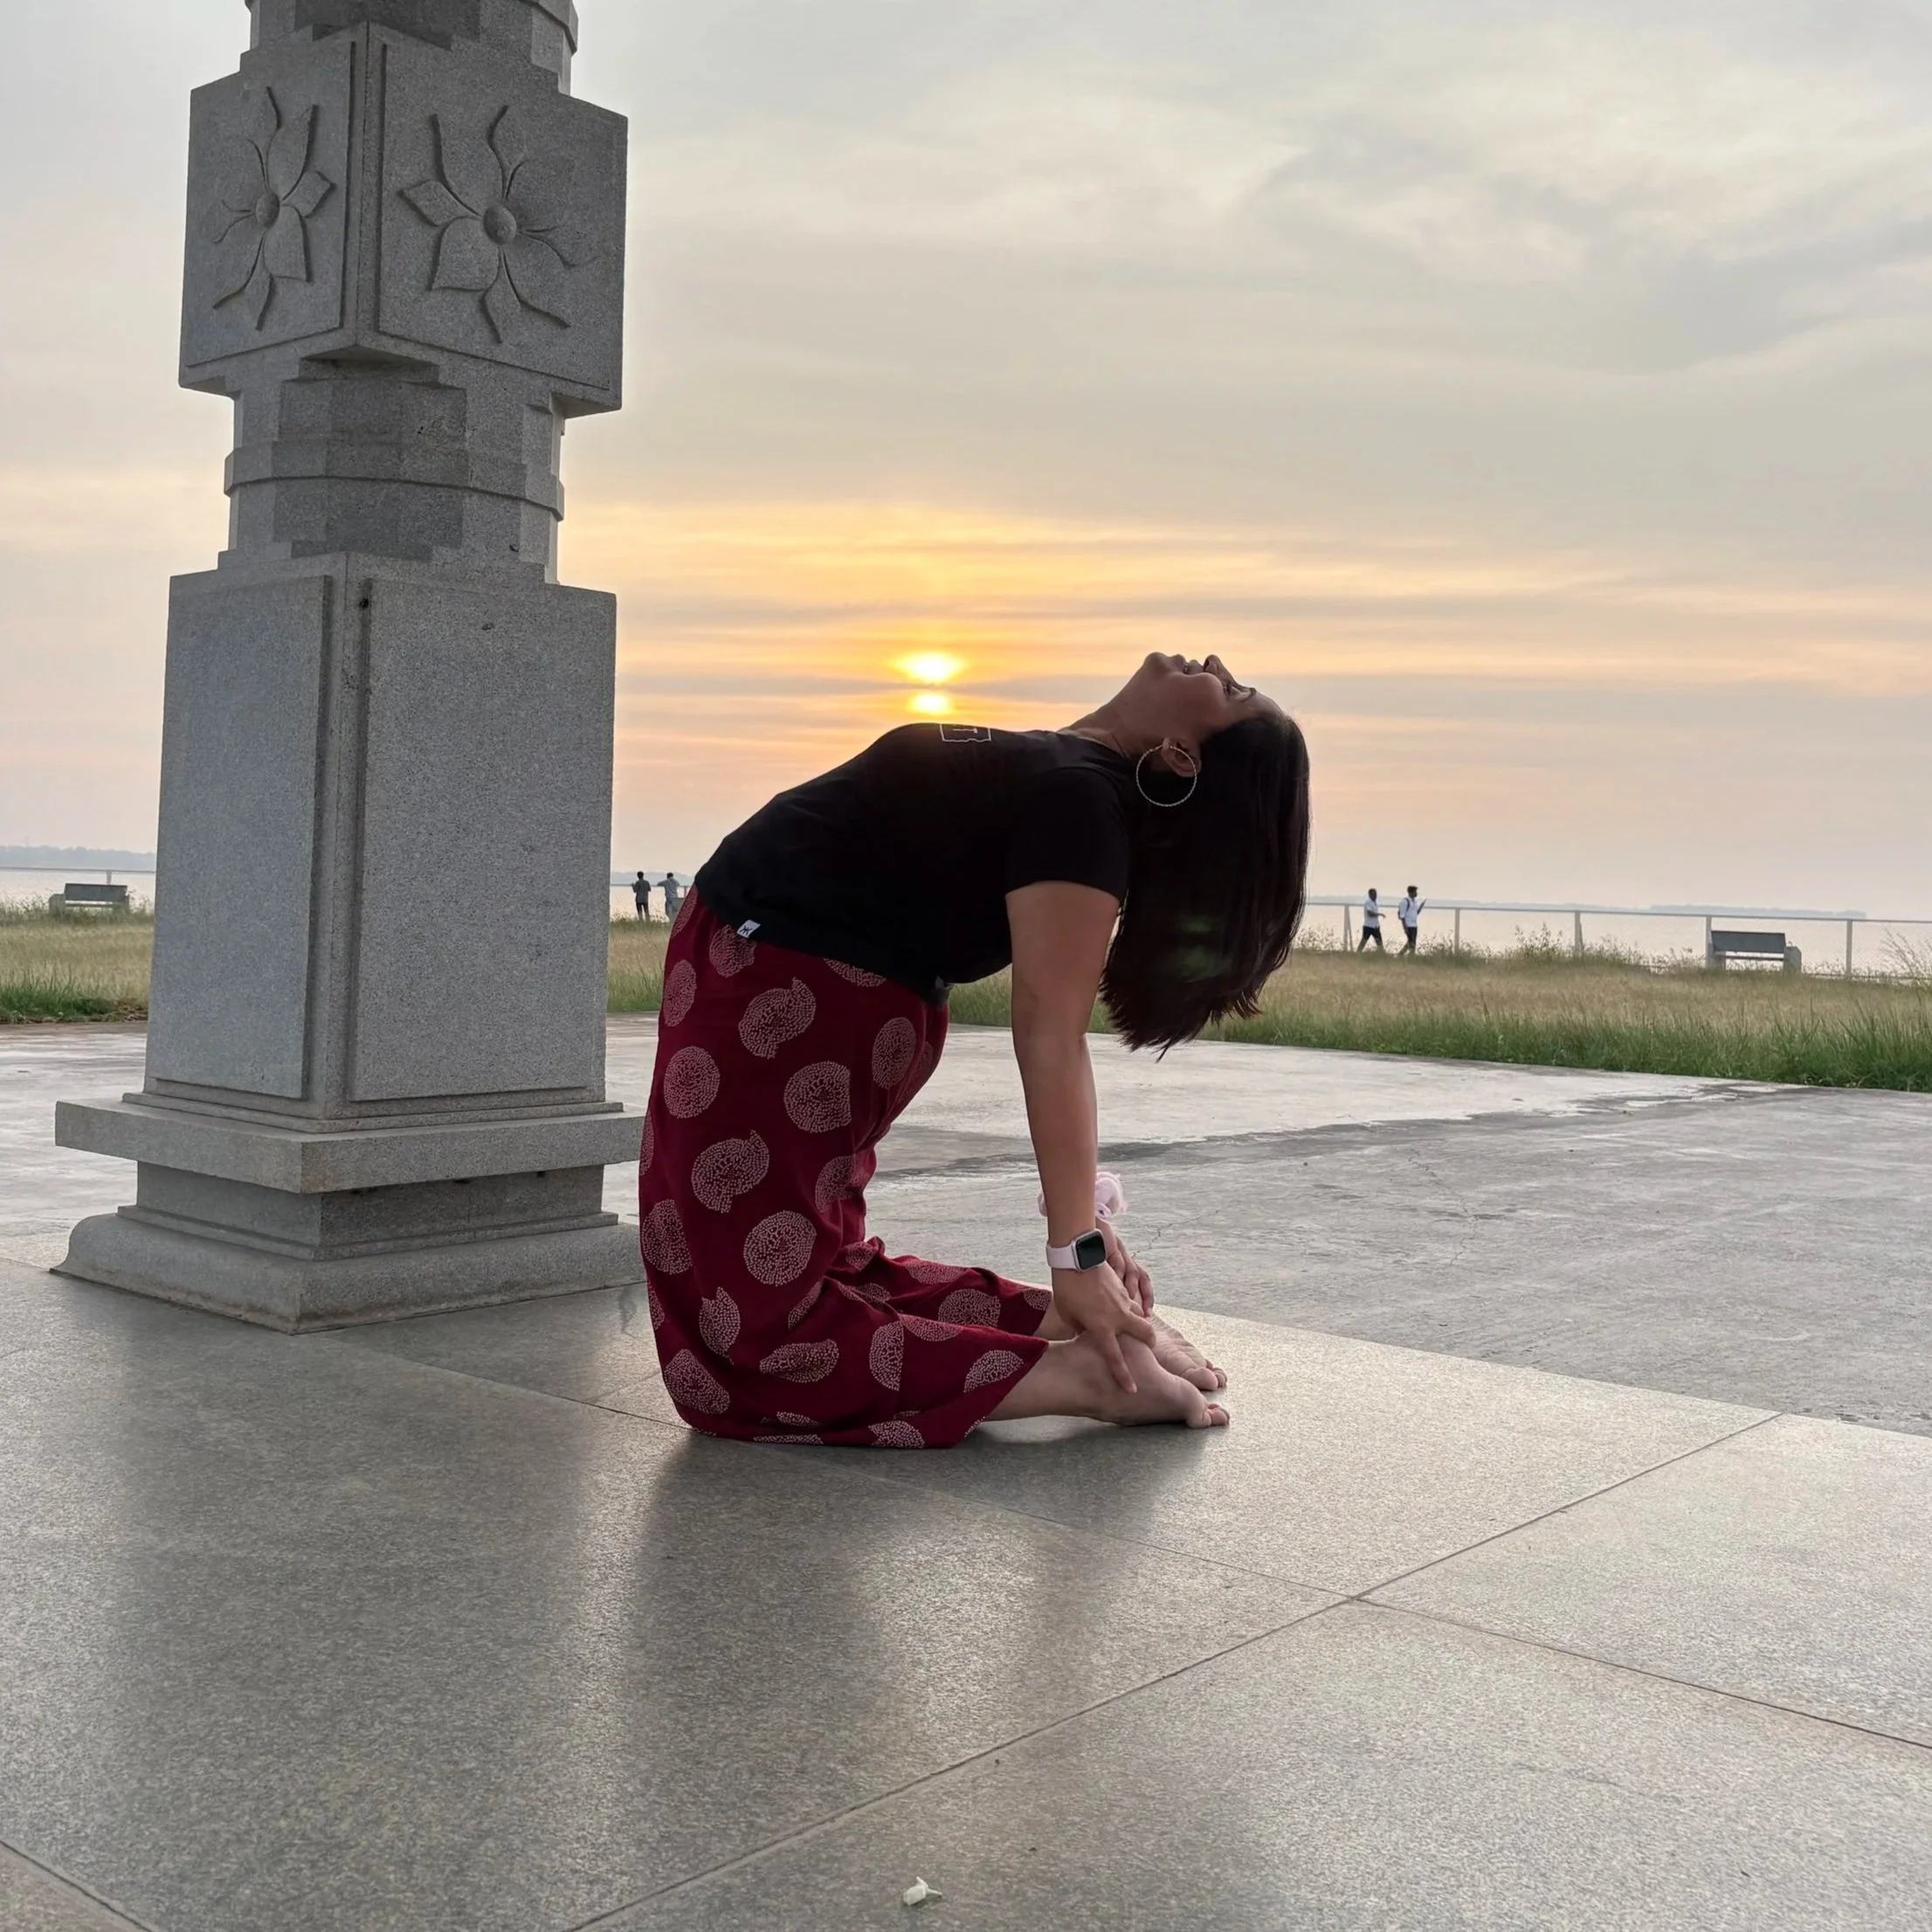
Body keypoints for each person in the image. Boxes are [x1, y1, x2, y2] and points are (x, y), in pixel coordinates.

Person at [638, 652, 1310, 1446]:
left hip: (788, 1000)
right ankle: (1068, 1328)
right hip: (802, 994)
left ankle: (1074, 1373)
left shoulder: (1081, 800)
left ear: (1180, 756)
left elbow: (1052, 1035)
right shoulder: (1074, 782)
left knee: (744, 1342)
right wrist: (1078, 1251)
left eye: (1228, 691)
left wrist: (1079, 1249)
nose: (1214, 662)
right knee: (817, 1273)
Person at [1397, 885, 1424, 954]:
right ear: (1411, 892)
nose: (1416, 893)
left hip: (1414, 925)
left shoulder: (1414, 901)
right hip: (1409, 925)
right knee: (1411, 942)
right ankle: (1403, 954)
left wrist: (1421, 907)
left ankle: (1404, 954)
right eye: (1415, 891)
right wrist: (1405, 928)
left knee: (1412, 942)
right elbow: (1402, 916)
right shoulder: (1405, 901)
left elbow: (1415, 913)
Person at [1357, 887, 1383, 951]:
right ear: (1370, 895)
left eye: (1375, 894)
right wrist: (1379, 914)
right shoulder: (1368, 902)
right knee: (1364, 941)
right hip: (1368, 926)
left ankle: (1382, 954)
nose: (1375, 896)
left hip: (1375, 926)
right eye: (1373, 894)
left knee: (1379, 942)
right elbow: (1370, 913)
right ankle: (1357, 954)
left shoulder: (1375, 903)